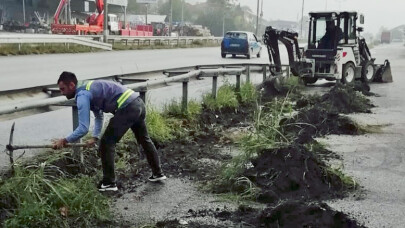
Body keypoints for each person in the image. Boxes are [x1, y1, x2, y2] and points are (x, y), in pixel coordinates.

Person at [53, 71, 166, 192]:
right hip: (137, 103)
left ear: (71, 85)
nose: (62, 93)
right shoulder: (88, 87)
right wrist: (95, 137)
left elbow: (83, 128)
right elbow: (99, 116)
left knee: (107, 143)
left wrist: (64, 140)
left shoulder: (82, 95)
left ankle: (109, 182)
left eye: (63, 89)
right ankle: (158, 173)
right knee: (144, 139)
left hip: (127, 107)